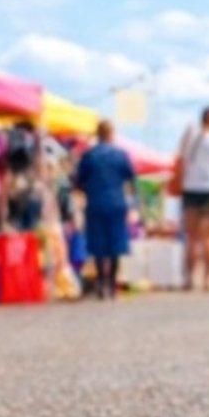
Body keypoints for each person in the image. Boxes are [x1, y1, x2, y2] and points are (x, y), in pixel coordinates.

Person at [172, 106, 209, 293]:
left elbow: (179, 162)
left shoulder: (189, 138)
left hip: (190, 190)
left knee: (191, 238)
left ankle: (189, 279)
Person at [72, 122, 136, 301]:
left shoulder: (89, 156)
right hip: (117, 203)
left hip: (96, 202)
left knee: (98, 244)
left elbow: (78, 181)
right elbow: (131, 178)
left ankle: (101, 282)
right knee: (116, 243)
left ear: (97, 134)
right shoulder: (120, 155)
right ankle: (112, 284)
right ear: (111, 134)